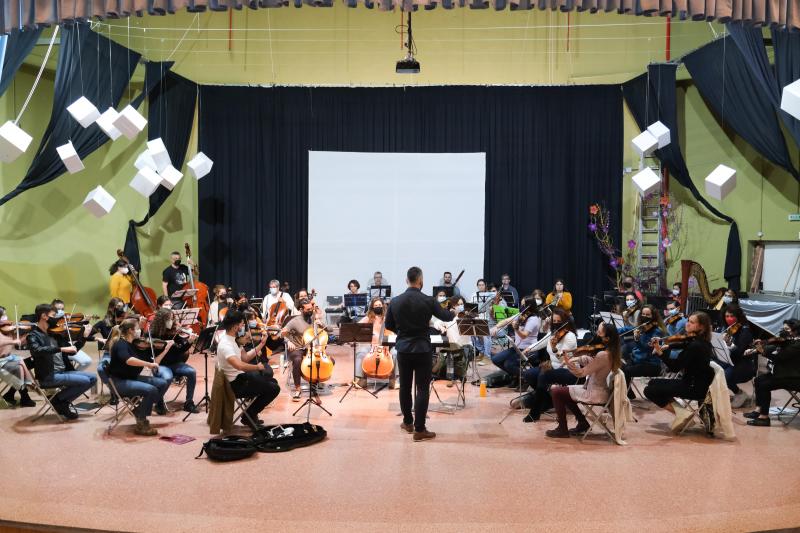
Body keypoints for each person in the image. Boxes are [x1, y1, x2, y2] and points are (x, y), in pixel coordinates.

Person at [385, 266, 455, 442]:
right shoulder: (428, 300)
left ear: (406, 280)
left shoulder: (395, 301)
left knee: (405, 387)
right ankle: (420, 429)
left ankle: (408, 422)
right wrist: (453, 311)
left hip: (403, 349)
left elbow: (389, 325)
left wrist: (402, 333)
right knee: (422, 389)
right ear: (420, 281)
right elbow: (446, 317)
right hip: (422, 349)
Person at [546, 322, 621, 438]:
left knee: (556, 392)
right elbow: (594, 363)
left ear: (607, 339)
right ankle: (582, 423)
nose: (596, 334)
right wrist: (576, 358)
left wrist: (568, 362)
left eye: (599, 333)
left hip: (595, 393)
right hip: (594, 388)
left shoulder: (603, 355)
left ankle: (562, 429)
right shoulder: (609, 352)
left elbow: (581, 373)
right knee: (563, 393)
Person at [644, 312, 715, 428]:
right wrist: (669, 345)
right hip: (696, 384)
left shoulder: (695, 346)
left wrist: (660, 352)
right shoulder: (701, 341)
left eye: (692, 322)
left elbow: (674, 367)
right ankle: (682, 413)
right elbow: (684, 343)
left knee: (649, 391)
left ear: (701, 326)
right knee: (652, 383)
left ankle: (683, 414)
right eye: (688, 321)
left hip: (693, 388)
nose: (687, 324)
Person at [27, 304, 97, 420]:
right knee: (84, 381)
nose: (58, 319)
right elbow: (37, 350)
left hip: (62, 372)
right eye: (54, 315)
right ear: (44, 316)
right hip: (48, 376)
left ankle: (59, 401)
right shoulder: (33, 335)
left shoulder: (55, 334)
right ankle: (61, 402)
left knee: (93, 378)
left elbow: (72, 351)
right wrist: (60, 349)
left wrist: (84, 337)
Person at [215, 310, 280, 430]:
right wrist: (257, 367)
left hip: (240, 378)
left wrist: (262, 344)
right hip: (232, 385)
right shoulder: (225, 344)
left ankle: (250, 414)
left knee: (272, 382)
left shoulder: (233, 340)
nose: (243, 326)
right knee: (274, 388)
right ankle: (249, 416)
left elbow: (245, 358)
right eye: (241, 324)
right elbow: (239, 365)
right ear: (235, 327)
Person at [107, 319, 170, 436]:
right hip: (119, 381)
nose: (139, 331)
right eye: (137, 328)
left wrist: (163, 348)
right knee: (151, 390)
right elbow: (128, 360)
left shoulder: (133, 344)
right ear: (130, 330)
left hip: (131, 377)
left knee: (162, 383)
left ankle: (140, 410)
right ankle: (141, 421)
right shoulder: (120, 344)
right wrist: (148, 364)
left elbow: (152, 359)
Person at [522, 308, 578, 422]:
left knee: (543, 376)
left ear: (565, 322)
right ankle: (548, 400)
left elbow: (563, 359)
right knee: (528, 374)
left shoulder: (570, 337)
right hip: (554, 367)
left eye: (559, 321)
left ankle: (535, 412)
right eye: (554, 321)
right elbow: (540, 343)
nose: (556, 324)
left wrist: (554, 348)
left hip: (568, 370)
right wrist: (529, 349)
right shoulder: (553, 334)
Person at [745, 320, 800, 427]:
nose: (783, 332)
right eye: (783, 329)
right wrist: (759, 346)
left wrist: (763, 351)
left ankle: (764, 418)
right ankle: (758, 410)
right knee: (758, 380)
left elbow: (780, 357)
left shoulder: (797, 344)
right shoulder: (789, 341)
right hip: (785, 374)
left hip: (794, 378)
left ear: (795, 331)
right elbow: (773, 346)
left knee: (764, 385)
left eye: (787, 329)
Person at [281, 298, 333, 401]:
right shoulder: (294, 321)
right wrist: (288, 341)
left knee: (331, 361)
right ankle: (298, 388)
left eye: (311, 309)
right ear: (301, 310)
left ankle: (315, 382)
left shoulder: (315, 318)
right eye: (308, 309)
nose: (311, 311)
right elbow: (282, 333)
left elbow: (330, 329)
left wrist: (322, 324)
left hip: (313, 349)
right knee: (298, 360)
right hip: (298, 348)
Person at [148, 308, 199, 413]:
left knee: (191, 372)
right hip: (161, 365)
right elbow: (152, 357)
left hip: (174, 363)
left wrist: (189, 342)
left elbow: (180, 350)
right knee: (168, 377)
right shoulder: (153, 334)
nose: (171, 322)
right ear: (161, 320)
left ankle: (189, 402)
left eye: (172, 319)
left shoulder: (173, 332)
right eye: (169, 319)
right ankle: (158, 402)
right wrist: (166, 348)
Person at [490, 296, 540, 387]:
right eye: (521, 304)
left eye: (524, 305)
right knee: (496, 359)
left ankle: (526, 378)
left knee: (509, 364)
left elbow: (524, 335)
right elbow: (506, 321)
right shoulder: (521, 315)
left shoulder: (534, 319)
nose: (521, 306)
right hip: (517, 348)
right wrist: (496, 327)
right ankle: (515, 376)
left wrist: (516, 329)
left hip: (529, 350)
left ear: (530, 306)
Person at [620, 304, 665, 399]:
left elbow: (647, 349)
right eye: (643, 314)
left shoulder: (657, 332)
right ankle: (628, 392)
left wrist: (637, 339)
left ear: (653, 316)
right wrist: (610, 330)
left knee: (626, 371)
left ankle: (624, 395)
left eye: (648, 315)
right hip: (638, 360)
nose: (645, 316)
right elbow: (626, 329)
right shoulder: (642, 327)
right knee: (619, 367)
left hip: (651, 364)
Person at [716, 304, 754, 408]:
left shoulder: (745, 331)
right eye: (727, 316)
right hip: (728, 360)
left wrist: (729, 344)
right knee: (712, 369)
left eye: (732, 316)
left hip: (742, 363)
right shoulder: (725, 328)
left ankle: (740, 393)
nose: (729, 318)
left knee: (725, 376)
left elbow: (739, 353)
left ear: (738, 317)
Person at [356, 297, 397, 389]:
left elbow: (394, 332)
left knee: (396, 353)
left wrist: (390, 337)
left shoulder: (388, 319)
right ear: (372, 307)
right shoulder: (368, 318)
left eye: (379, 305)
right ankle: (361, 379)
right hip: (372, 346)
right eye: (376, 305)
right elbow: (356, 327)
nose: (378, 307)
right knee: (361, 352)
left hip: (387, 346)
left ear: (383, 306)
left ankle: (394, 380)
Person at [0, 305, 35, 407]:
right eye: (3, 316)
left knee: (31, 362)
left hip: (9, 359)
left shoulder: (6, 329)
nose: (6, 318)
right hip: (1, 362)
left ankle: (10, 394)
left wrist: (27, 335)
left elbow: (18, 342)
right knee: (19, 367)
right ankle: (25, 397)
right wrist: (12, 341)